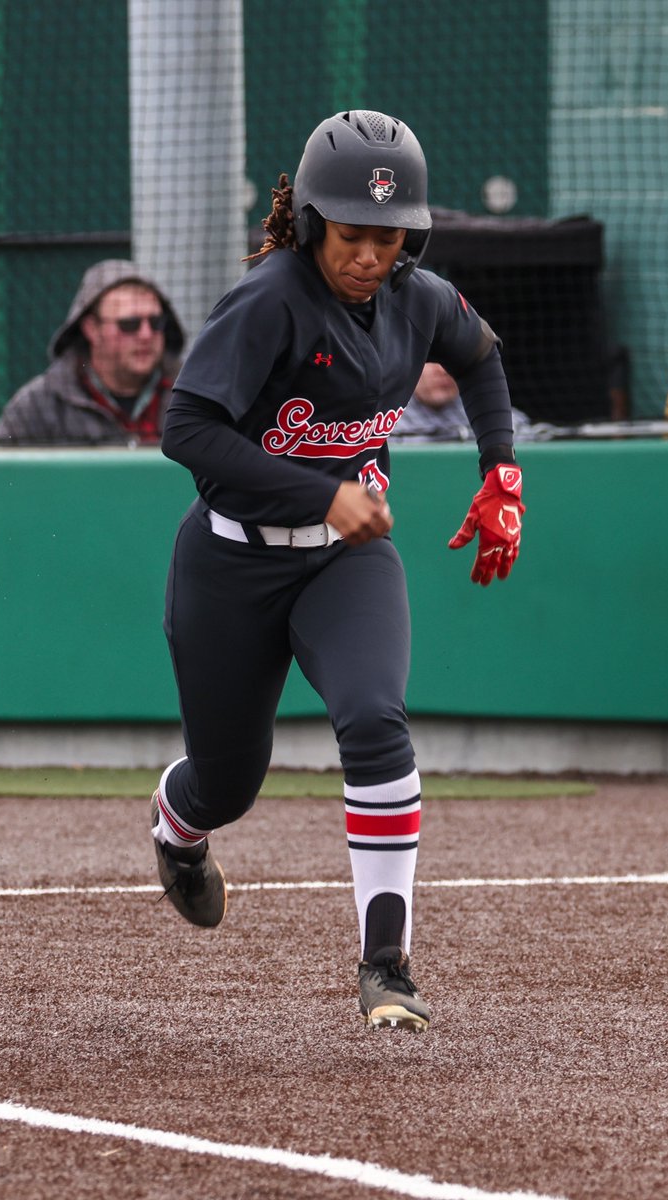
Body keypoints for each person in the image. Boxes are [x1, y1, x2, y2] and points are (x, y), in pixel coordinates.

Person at [150, 109, 525, 1034]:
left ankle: (386, 965)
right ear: (313, 223)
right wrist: (323, 493)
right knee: (228, 783)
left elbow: (481, 358)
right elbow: (184, 430)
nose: (368, 254)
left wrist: (501, 471)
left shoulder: (418, 298)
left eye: (388, 238)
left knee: (374, 720)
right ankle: (177, 826)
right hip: (229, 562)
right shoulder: (269, 301)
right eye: (350, 233)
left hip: (347, 561)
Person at [0, 259, 185, 444]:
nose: (146, 335)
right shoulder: (36, 407)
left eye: (156, 322)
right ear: (91, 328)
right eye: (129, 324)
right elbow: (4, 465)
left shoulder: (191, 395)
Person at [392, 360, 535, 442]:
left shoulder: (481, 409)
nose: (443, 370)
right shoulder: (386, 416)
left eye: (450, 361)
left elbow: (527, 433)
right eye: (431, 361)